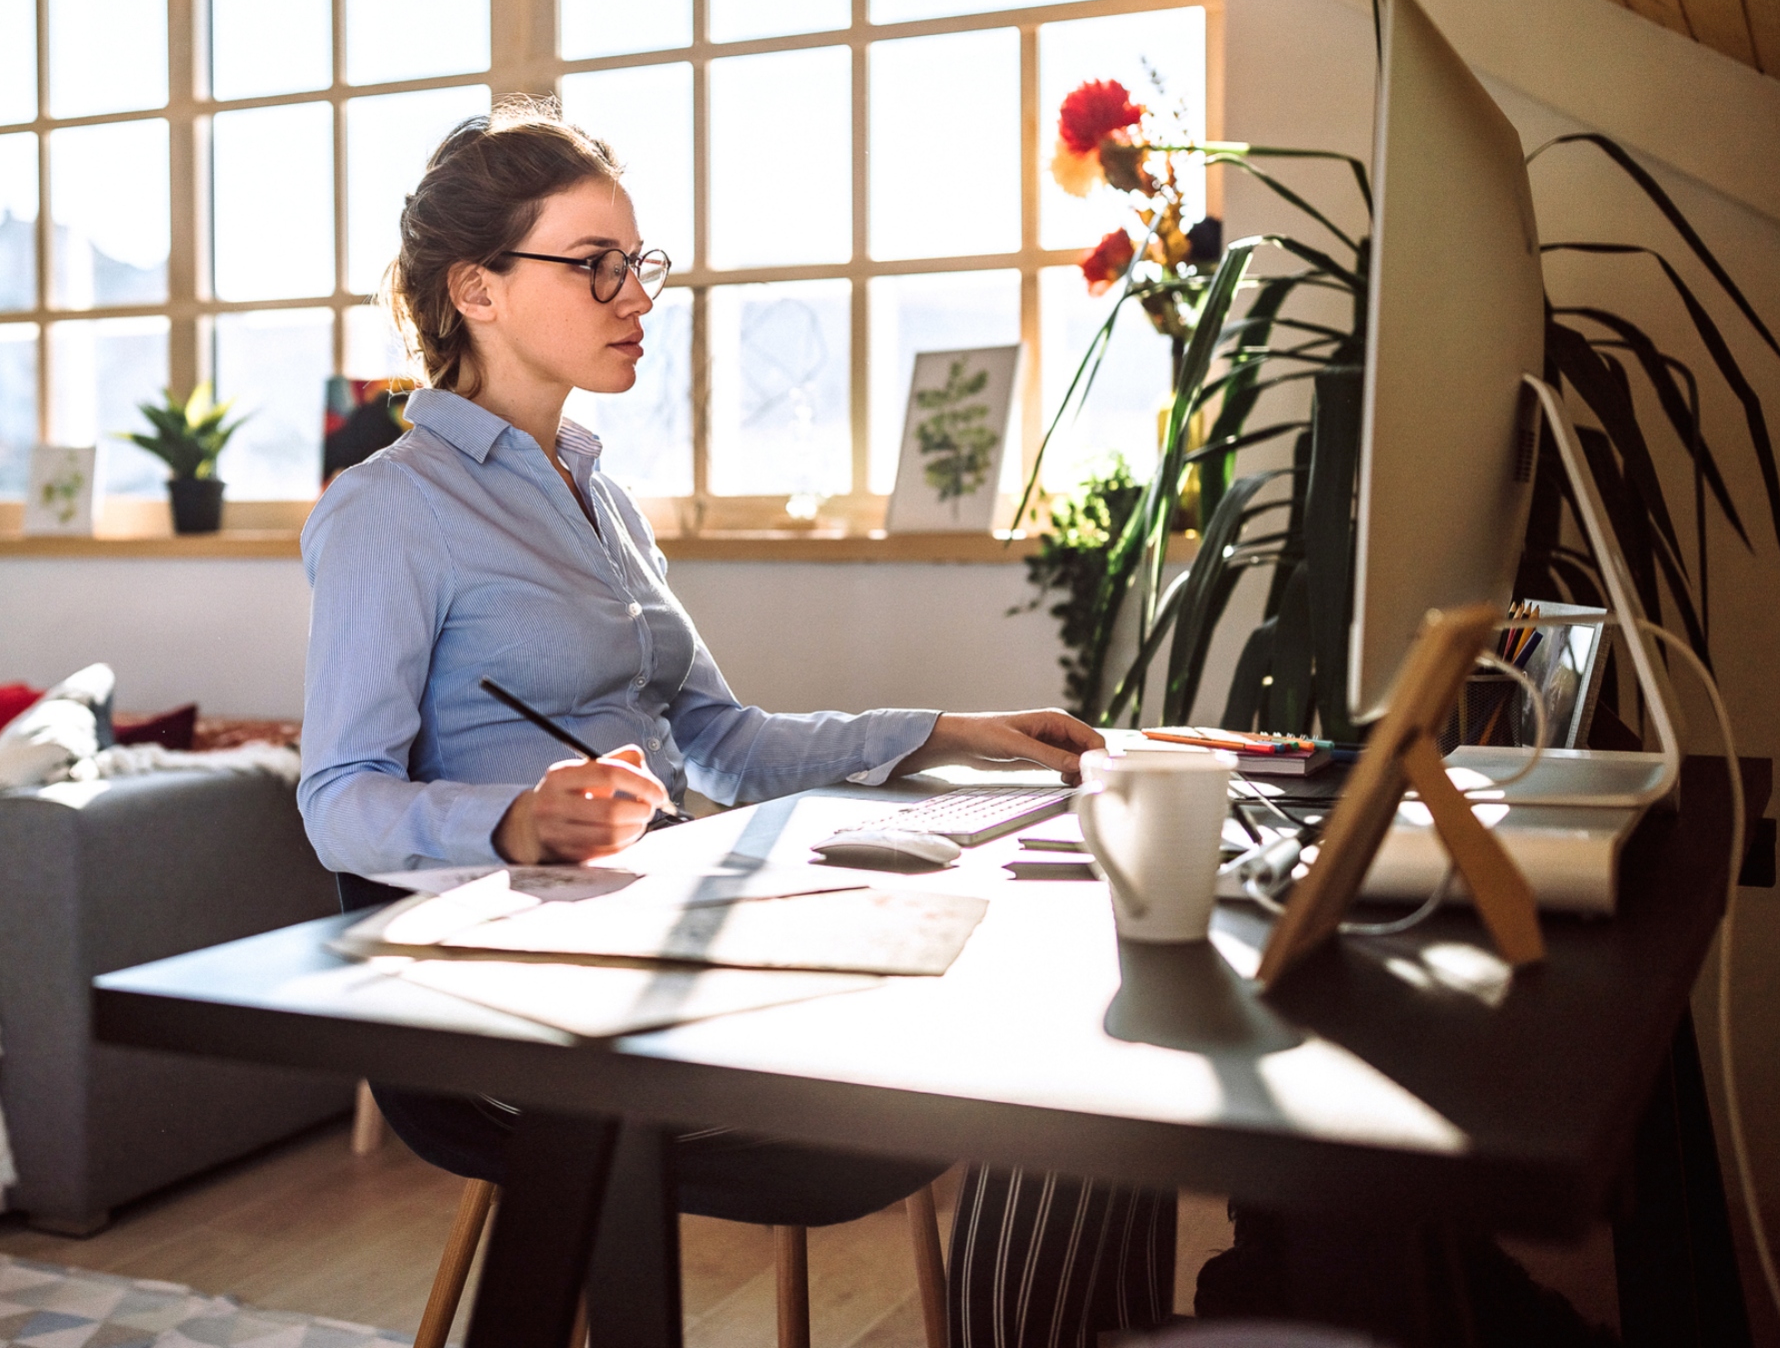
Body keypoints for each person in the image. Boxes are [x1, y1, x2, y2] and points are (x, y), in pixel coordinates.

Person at [298, 97, 1173, 1334]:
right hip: (520, 1011)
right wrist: (514, 824)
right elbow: (337, 802)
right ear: (476, 289)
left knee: (1060, 1001)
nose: (635, 297)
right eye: (594, 266)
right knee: (1032, 1049)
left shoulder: (601, 497)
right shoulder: (389, 511)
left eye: (637, 265)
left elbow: (726, 737)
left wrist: (956, 729)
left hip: (656, 938)